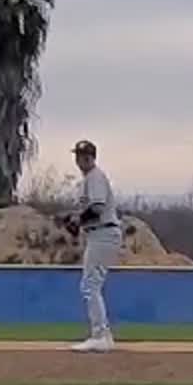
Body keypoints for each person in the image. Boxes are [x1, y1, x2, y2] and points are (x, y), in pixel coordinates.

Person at [67, 139, 123, 353]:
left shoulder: (95, 177)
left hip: (104, 232)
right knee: (91, 284)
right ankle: (103, 335)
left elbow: (98, 208)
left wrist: (77, 221)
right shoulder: (87, 180)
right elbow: (89, 212)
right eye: (78, 156)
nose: (80, 160)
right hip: (98, 233)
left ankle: (100, 335)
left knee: (90, 284)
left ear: (92, 157)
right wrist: (75, 220)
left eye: (84, 156)